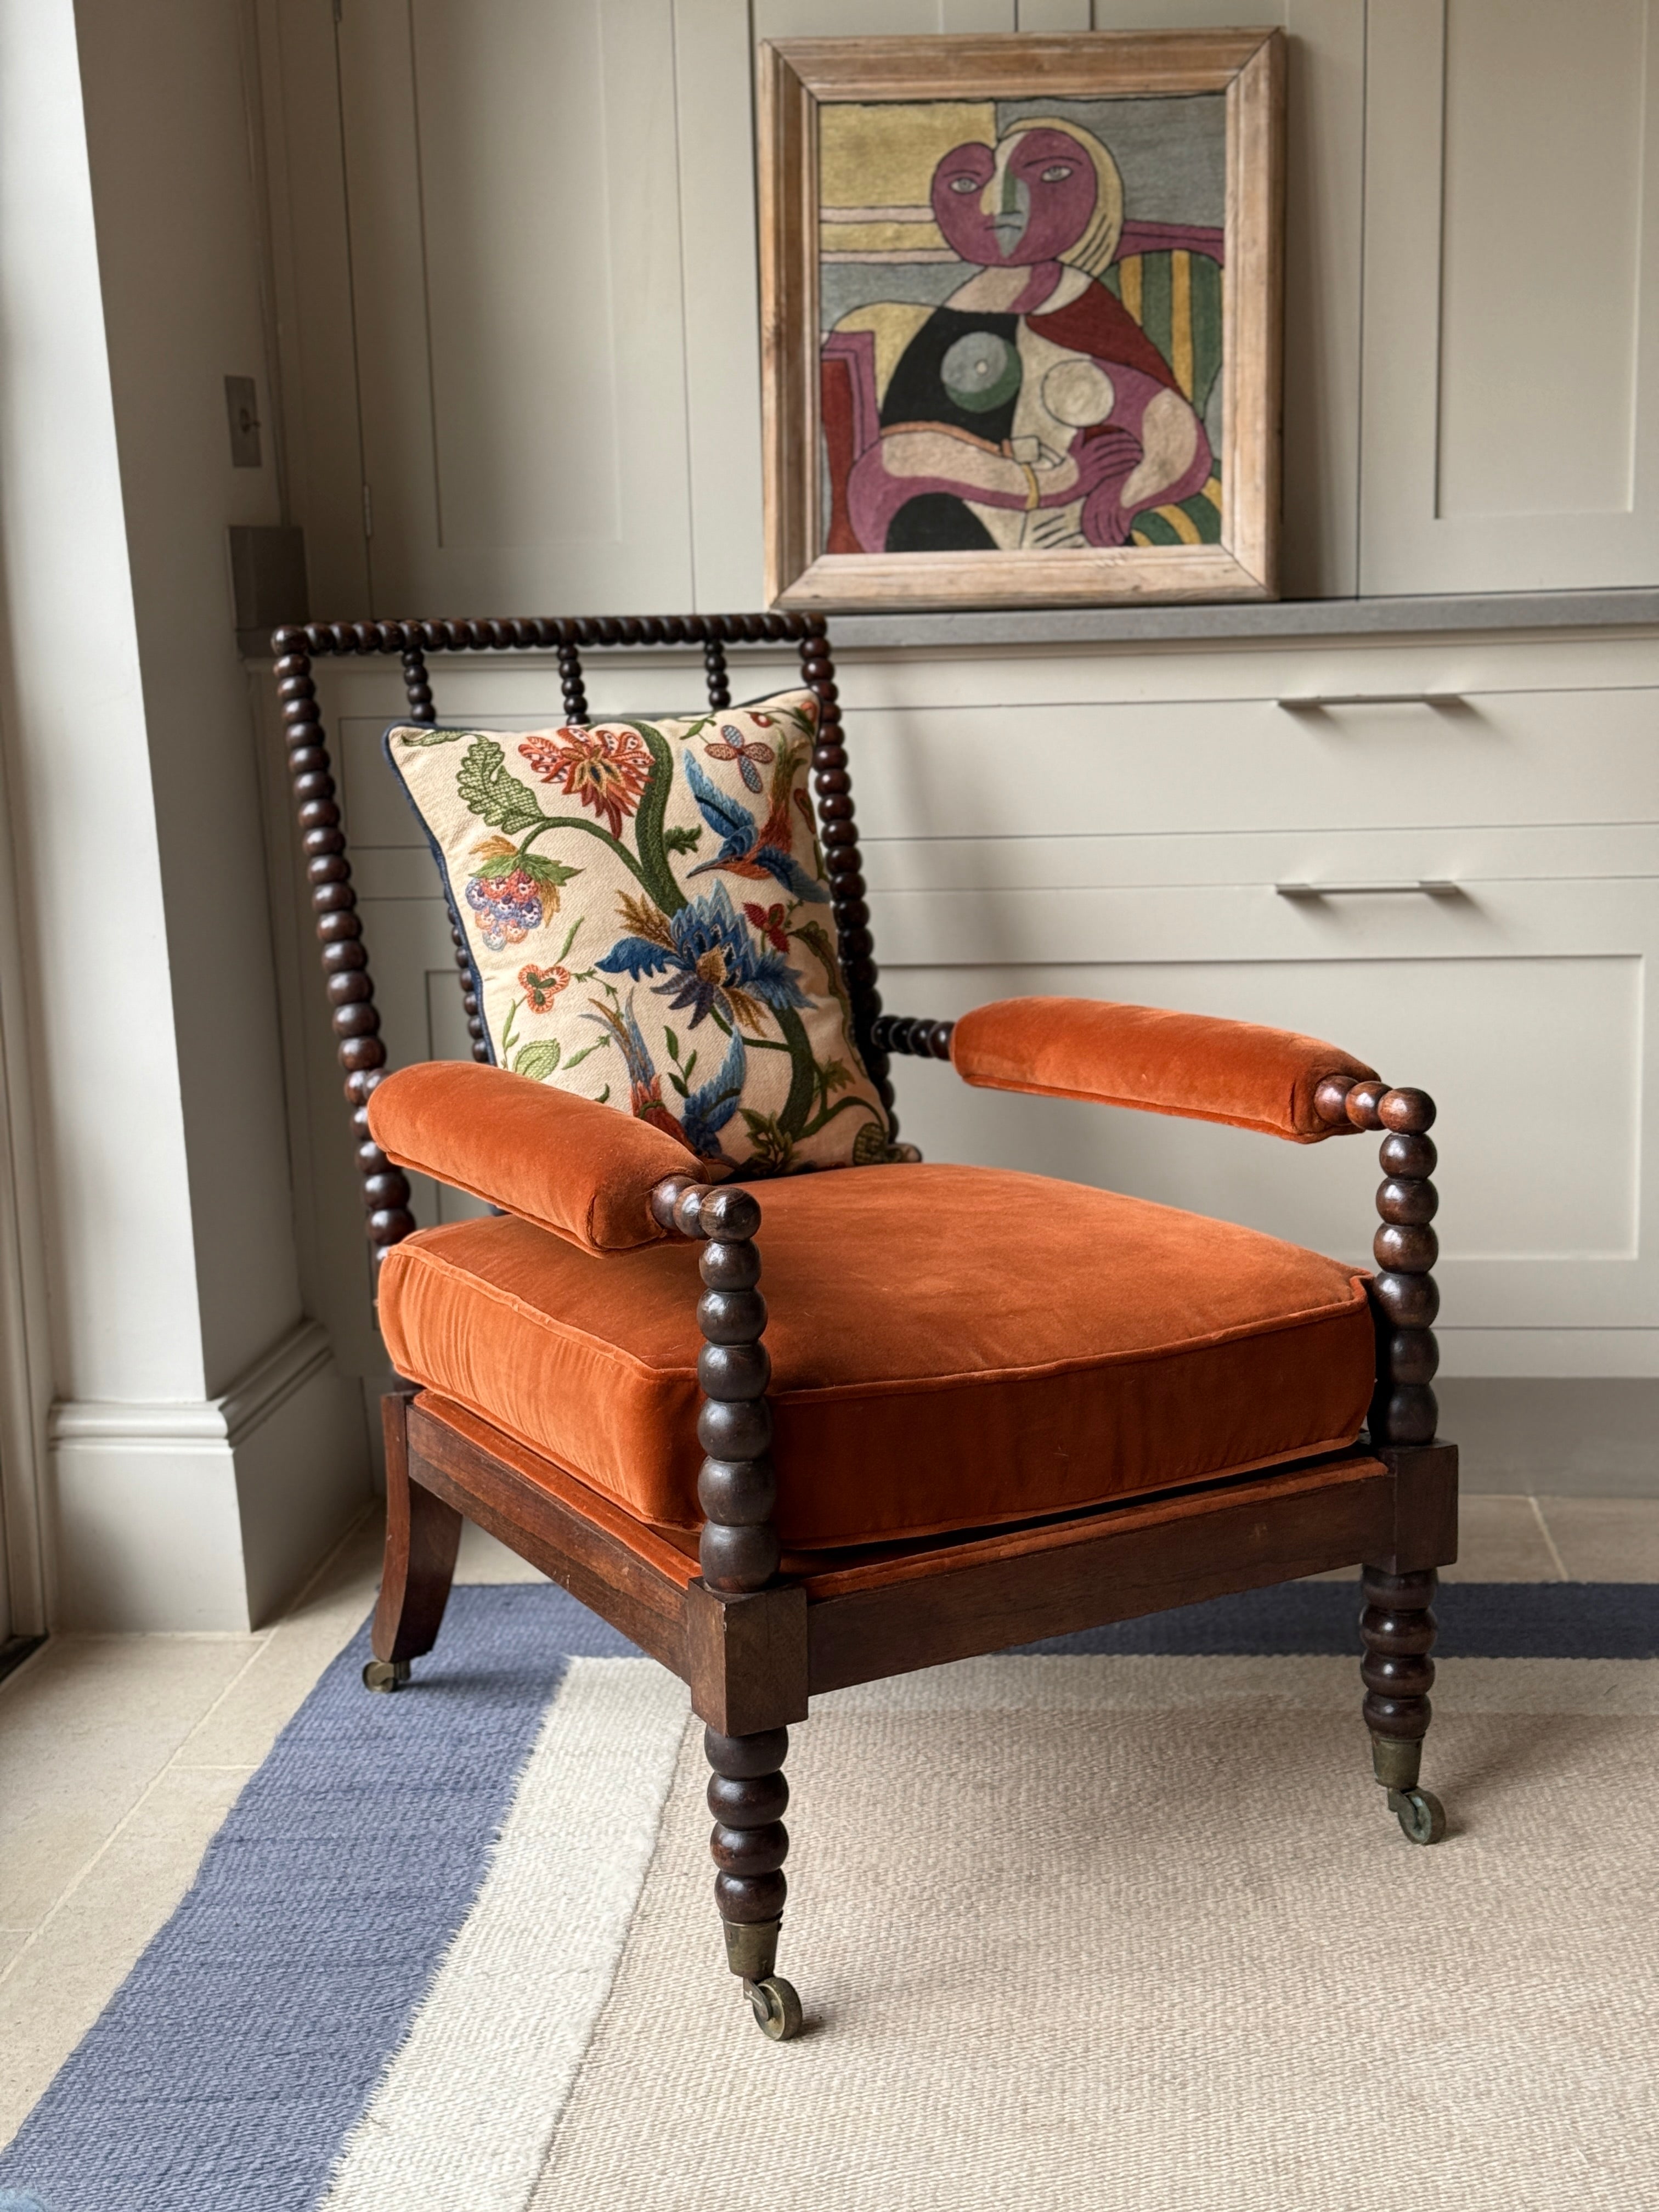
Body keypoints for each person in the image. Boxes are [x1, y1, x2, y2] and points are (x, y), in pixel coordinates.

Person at [830, 119, 1213, 554]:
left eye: (1051, 175)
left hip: (1060, 536)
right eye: (966, 184)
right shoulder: (958, 313)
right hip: (949, 526)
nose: (1001, 206)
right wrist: (1049, 482)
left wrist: (1124, 497)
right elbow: (894, 463)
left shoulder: (1078, 307)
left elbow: (1175, 436)